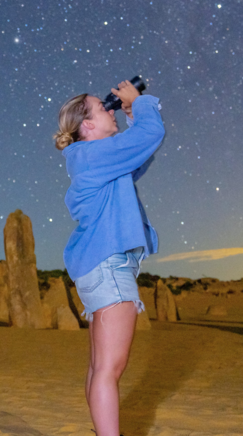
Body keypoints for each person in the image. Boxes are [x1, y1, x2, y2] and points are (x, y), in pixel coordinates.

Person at [53, 80, 165, 436]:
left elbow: (137, 158)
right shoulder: (91, 154)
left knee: (100, 367)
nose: (110, 109)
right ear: (87, 125)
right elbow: (151, 134)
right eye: (104, 108)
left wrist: (131, 114)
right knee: (109, 369)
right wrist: (142, 103)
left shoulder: (94, 158)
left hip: (100, 265)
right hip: (108, 265)